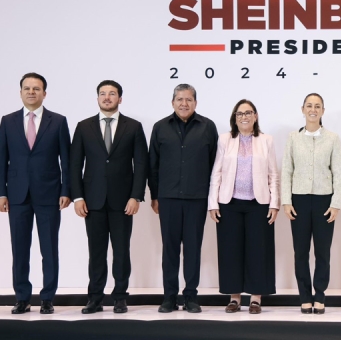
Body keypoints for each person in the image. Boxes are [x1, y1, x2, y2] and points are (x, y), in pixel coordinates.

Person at [70, 80, 149, 314]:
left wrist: (136, 196)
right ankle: (94, 298)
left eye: (112, 94)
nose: (107, 97)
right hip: (92, 201)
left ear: (120, 99)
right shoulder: (83, 127)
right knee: (96, 252)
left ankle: (120, 297)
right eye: (102, 94)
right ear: (97, 98)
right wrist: (77, 197)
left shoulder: (133, 127)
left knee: (121, 251)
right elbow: (75, 165)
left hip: (123, 201)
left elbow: (141, 164)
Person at [0, 72, 71, 315]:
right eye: (27, 88)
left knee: (49, 248)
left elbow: (67, 161)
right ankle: (22, 297)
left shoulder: (58, 121)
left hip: (49, 194)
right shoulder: (7, 121)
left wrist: (66, 190)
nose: (31, 92)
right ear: (20, 92)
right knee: (19, 248)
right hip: (17, 194)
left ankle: (48, 298)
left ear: (44, 93)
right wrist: (1, 192)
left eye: (36, 88)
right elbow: (2, 159)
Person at [149, 83, 218, 313]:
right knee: (169, 248)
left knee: (192, 248)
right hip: (167, 197)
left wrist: (212, 198)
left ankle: (190, 296)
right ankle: (169, 296)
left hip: (197, 198)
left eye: (188, 99)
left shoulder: (208, 127)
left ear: (195, 103)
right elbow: (153, 165)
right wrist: (155, 195)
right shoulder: (160, 127)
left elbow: (214, 165)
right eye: (179, 99)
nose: (184, 103)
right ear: (172, 102)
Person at [208, 99, 279, 315]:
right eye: (240, 114)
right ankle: (234, 297)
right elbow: (217, 172)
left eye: (248, 113)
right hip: (229, 203)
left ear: (255, 116)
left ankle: (256, 298)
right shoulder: (225, 139)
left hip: (259, 203)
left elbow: (273, 174)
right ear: (234, 118)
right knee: (231, 250)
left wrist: (274, 203)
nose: (244, 117)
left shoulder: (266, 140)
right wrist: (213, 202)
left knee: (258, 251)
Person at [281, 93, 341, 314]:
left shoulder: (333, 138)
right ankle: (304, 296)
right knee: (301, 251)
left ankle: (320, 295)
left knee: (323, 252)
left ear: (323, 111)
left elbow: (337, 171)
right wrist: (286, 201)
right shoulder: (293, 138)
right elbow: (287, 170)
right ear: (303, 109)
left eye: (317, 106)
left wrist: (336, 203)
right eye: (309, 105)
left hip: (324, 200)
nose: (313, 109)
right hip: (299, 200)